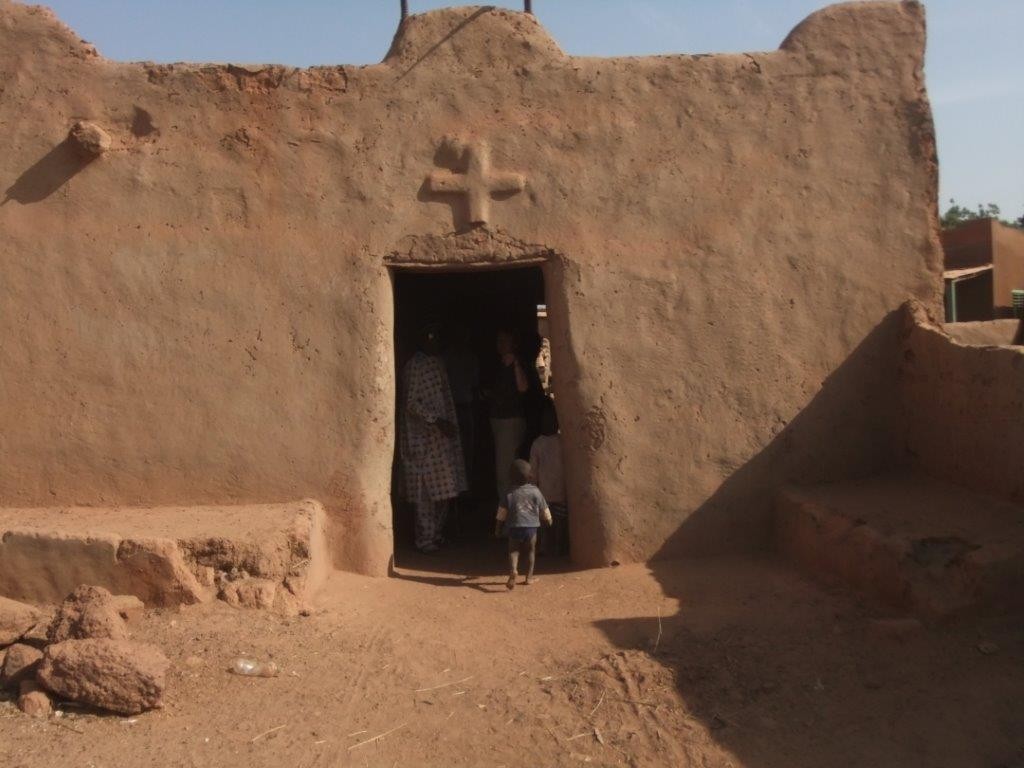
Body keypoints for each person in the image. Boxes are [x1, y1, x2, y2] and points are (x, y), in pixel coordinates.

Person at [400, 324, 467, 553]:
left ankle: (436, 535)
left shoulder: (437, 363)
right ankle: (425, 540)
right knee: (425, 494)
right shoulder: (415, 366)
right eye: (429, 337)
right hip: (422, 441)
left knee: (445, 491)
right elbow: (411, 404)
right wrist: (437, 421)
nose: (433, 341)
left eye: (436, 336)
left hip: (440, 441)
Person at [494, 459, 552, 590]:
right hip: (531, 527)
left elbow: (501, 514)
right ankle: (529, 577)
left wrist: (498, 529)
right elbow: (544, 509)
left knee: (513, 551)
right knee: (531, 551)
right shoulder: (535, 491)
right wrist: (549, 520)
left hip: (514, 527)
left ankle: (513, 570)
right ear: (530, 475)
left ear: (510, 477)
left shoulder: (509, 493)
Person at [488, 330, 529, 502]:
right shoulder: (499, 365)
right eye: (499, 340)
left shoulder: (515, 364)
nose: (500, 344)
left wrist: (516, 364)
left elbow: (523, 388)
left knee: (506, 471)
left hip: (509, 422)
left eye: (505, 340)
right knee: (504, 469)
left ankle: (509, 514)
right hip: (499, 421)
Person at [529, 398, 568, 556]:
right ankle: (556, 547)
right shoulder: (562, 441)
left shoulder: (538, 444)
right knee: (558, 522)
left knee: (546, 522)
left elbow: (533, 471)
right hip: (559, 492)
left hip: (545, 493)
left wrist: (533, 487)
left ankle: (547, 548)